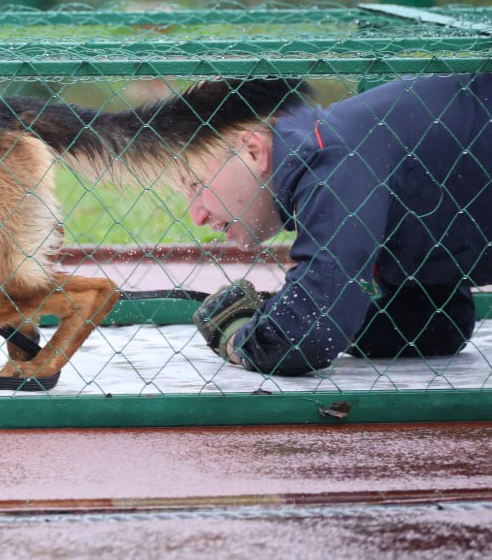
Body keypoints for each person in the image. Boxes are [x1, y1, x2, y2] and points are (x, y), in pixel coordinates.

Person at [185, 73, 492, 376]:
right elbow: (439, 324)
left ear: (253, 150)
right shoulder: (333, 147)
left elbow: (310, 337)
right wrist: (291, 315)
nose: (196, 216)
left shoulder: (331, 158)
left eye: (197, 185)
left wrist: (236, 338)